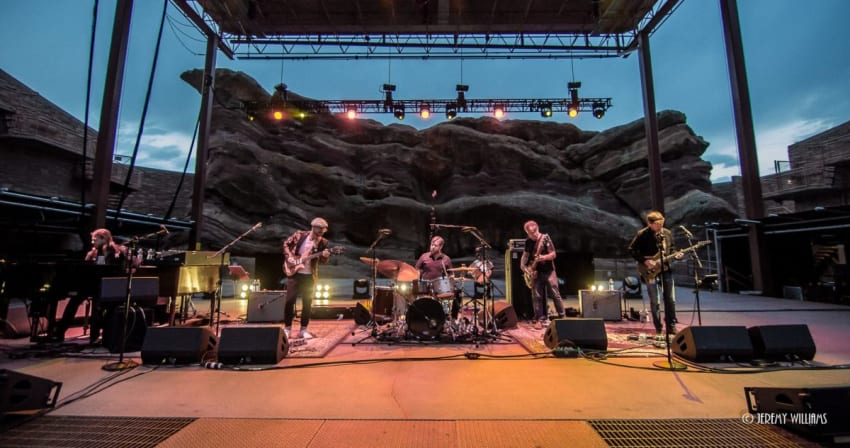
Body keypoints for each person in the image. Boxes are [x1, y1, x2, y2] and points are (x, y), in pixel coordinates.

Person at [52, 228, 128, 343]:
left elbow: (112, 270)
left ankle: (94, 336)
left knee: (97, 306)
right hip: (91, 284)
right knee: (74, 301)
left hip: (107, 285)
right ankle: (59, 332)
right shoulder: (93, 252)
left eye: (95, 240)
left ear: (103, 239)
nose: (93, 242)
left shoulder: (115, 252)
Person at [627, 211, 683, 337]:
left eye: (662, 223)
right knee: (655, 300)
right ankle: (658, 327)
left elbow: (672, 249)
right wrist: (645, 261)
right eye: (657, 224)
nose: (660, 226)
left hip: (666, 268)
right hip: (650, 270)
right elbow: (631, 249)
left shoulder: (667, 233)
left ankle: (671, 326)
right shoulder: (642, 234)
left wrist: (677, 255)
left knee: (670, 299)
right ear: (649, 223)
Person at [282, 217, 331, 340]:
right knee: (289, 301)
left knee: (307, 303)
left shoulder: (323, 242)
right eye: (319, 229)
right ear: (313, 227)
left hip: (309, 275)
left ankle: (303, 330)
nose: (321, 231)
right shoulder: (299, 235)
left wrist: (325, 256)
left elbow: (323, 261)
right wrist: (290, 258)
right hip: (295, 273)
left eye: (323, 230)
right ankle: (287, 328)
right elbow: (285, 244)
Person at [520, 220, 566, 329]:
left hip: (549, 271)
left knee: (555, 293)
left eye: (535, 232)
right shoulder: (528, 242)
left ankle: (562, 316)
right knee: (536, 296)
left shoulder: (545, 238)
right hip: (535, 272)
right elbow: (525, 255)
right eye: (531, 234)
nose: (533, 235)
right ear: (527, 233)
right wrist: (523, 266)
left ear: (537, 229)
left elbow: (553, 254)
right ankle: (539, 318)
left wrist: (543, 258)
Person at [414, 236, 459, 320]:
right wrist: (417, 280)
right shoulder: (424, 256)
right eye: (431, 245)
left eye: (435, 245)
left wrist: (452, 285)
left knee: (453, 297)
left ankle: (445, 317)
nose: (432, 247)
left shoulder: (446, 259)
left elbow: (451, 275)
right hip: (424, 285)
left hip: (440, 287)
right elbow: (416, 270)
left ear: (441, 247)